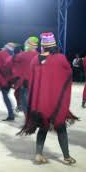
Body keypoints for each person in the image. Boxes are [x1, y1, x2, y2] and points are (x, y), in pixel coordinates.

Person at [18, 32, 78, 165]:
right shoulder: (60, 59)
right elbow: (68, 74)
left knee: (43, 128)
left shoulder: (34, 60)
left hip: (40, 104)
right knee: (61, 128)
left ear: (43, 46)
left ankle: (38, 154)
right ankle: (67, 157)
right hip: (55, 103)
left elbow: (32, 81)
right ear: (53, 45)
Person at [10, 37, 39, 114]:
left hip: (25, 82)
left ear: (28, 45)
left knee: (24, 101)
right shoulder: (40, 56)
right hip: (36, 84)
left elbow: (9, 62)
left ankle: (28, 120)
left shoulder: (21, 55)